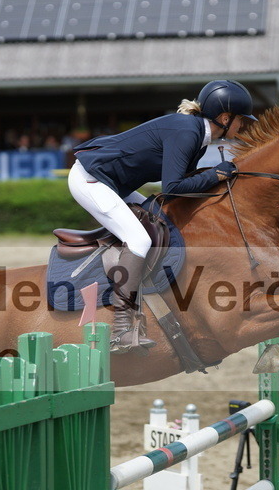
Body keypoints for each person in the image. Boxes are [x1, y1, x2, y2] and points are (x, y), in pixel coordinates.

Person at [69, 80, 257, 353]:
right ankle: (121, 328)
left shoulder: (197, 135)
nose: (243, 126)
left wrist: (216, 178)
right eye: (241, 120)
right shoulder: (188, 132)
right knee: (139, 240)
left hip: (114, 184)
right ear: (225, 118)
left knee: (159, 223)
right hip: (91, 179)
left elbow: (182, 187)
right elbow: (172, 189)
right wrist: (215, 174)